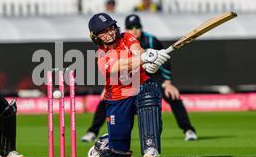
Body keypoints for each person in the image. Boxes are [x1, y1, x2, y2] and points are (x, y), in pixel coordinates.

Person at [82, 14, 198, 143]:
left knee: (170, 96)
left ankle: (187, 130)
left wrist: (167, 81)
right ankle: (93, 131)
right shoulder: (103, 52)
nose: (134, 30)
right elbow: (117, 66)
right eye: (131, 27)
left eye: (137, 27)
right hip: (125, 81)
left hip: (151, 75)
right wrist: (143, 59)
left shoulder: (148, 40)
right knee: (107, 101)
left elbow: (158, 59)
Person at [86, 12, 171, 157]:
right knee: (118, 154)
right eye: (103, 31)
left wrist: (151, 62)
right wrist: (143, 59)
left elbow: (138, 51)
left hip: (141, 86)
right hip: (118, 98)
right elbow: (118, 65)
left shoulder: (127, 37)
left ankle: (150, 147)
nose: (109, 33)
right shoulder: (101, 55)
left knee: (149, 93)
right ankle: (107, 140)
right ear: (96, 36)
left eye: (111, 28)